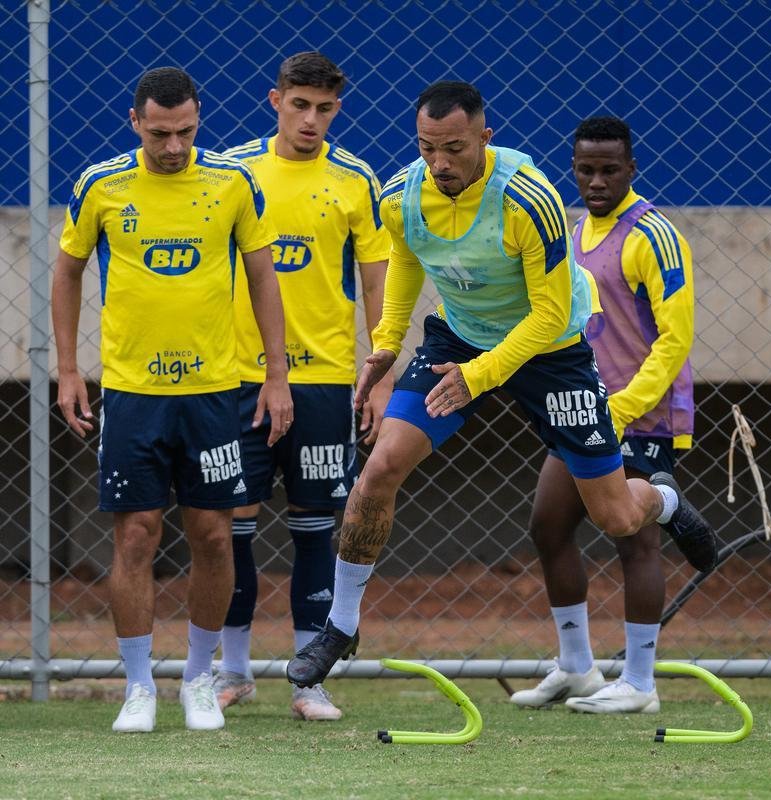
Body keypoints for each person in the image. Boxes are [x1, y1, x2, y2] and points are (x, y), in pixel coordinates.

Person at [286, 82, 717, 689]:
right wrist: (386, 343)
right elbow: (411, 260)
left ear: (484, 140)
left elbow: (546, 316)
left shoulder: (527, 197)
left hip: (552, 351)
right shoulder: (402, 195)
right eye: (427, 147)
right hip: (458, 339)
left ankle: (664, 498)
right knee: (380, 468)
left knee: (617, 517)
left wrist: (478, 377)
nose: (439, 163)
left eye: (454, 149)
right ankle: (340, 624)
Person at [52, 67, 292, 733]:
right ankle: (137, 687)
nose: (174, 146)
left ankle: (197, 680)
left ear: (198, 119)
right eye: (160, 133)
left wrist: (275, 375)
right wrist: (70, 369)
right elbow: (68, 270)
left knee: (214, 534)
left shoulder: (231, 183)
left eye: (186, 131)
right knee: (135, 534)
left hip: (215, 393)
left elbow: (265, 280)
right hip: (133, 395)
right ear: (136, 123)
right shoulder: (101, 185)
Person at [212, 52, 391, 721]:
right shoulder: (232, 173)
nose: (311, 120)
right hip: (236, 377)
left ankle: (308, 680)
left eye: (324, 109)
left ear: (336, 111)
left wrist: (378, 374)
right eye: (299, 106)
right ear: (275, 100)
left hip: (321, 381)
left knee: (318, 530)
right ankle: (232, 672)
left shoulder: (355, 179)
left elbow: (378, 283)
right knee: (229, 530)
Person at [509, 116, 697, 714]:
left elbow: (675, 339)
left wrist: (623, 408)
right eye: (585, 169)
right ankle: (577, 667)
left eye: (609, 169)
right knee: (548, 526)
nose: (596, 180)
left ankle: (641, 683)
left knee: (633, 539)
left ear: (632, 169)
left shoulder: (655, 235)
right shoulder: (572, 232)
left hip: (637, 415)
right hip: (580, 409)